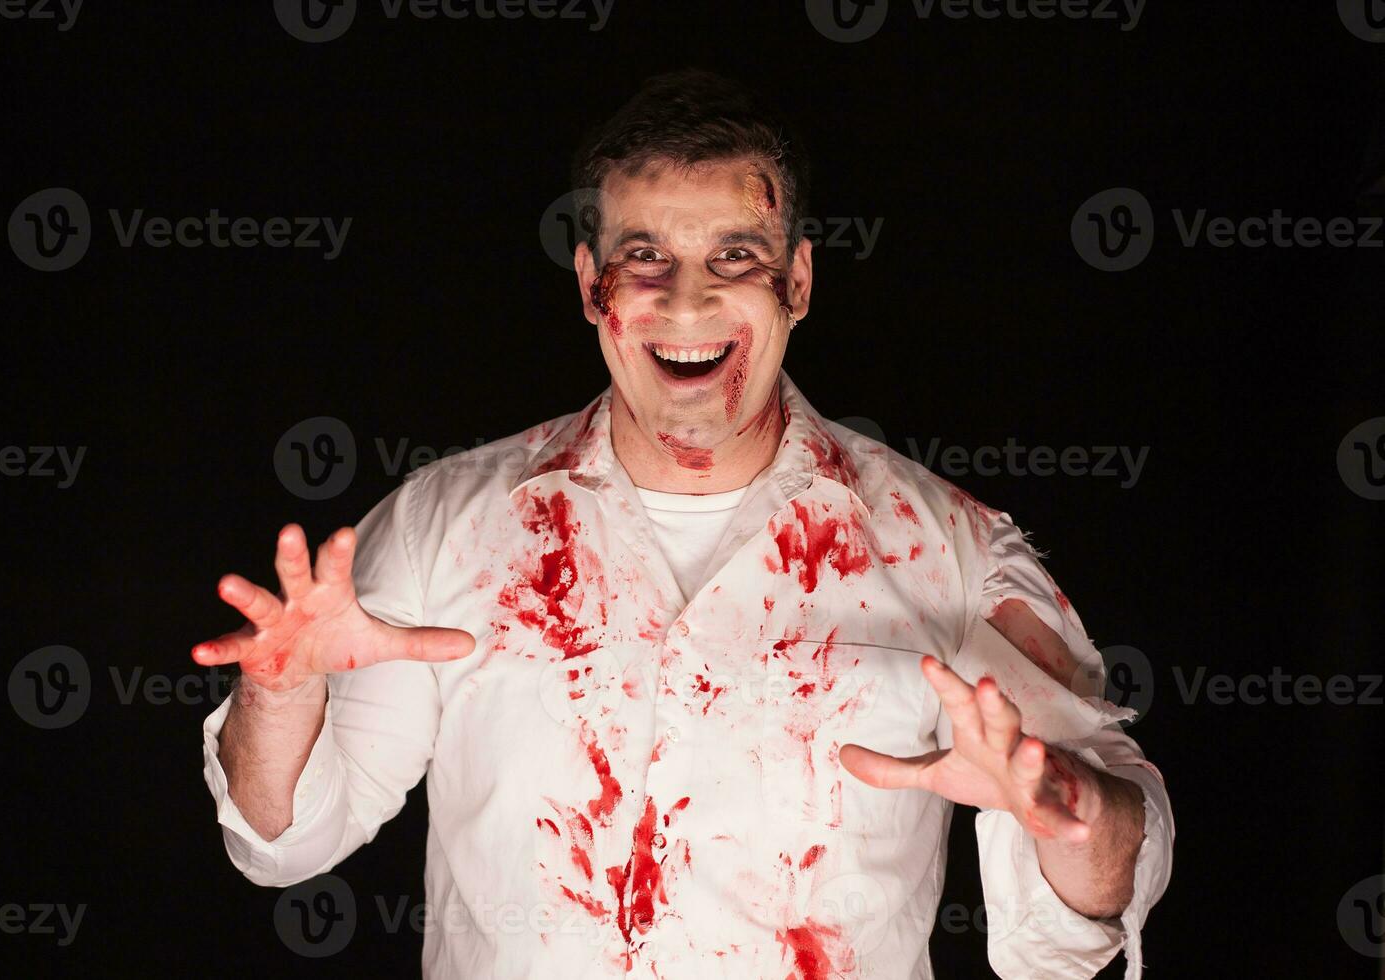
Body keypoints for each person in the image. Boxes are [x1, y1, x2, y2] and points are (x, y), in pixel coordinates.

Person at [193, 68, 1173, 979]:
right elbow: (284, 841)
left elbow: (1081, 920)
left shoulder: (954, 551)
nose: (687, 299)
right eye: (645, 256)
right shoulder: (445, 522)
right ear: (590, 285)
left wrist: (1077, 818)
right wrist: (280, 697)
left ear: (798, 281)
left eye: (733, 256)